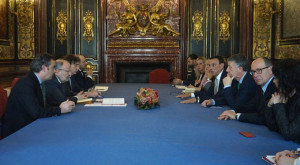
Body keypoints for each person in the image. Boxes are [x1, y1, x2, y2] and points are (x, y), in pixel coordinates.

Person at [1, 53, 75, 138]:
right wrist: (59, 109)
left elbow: (42, 106)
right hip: (18, 133)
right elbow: (36, 113)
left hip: (31, 126)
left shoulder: (37, 81)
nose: (54, 71)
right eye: (53, 68)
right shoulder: (26, 84)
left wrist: (60, 107)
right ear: (44, 68)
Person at [218, 57, 277, 124]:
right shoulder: (260, 85)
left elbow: (264, 117)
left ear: (271, 69)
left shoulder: (276, 86)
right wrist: (234, 111)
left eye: (259, 70)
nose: (255, 75)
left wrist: (237, 116)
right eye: (253, 72)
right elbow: (251, 106)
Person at [265, 59, 300, 143]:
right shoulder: (285, 95)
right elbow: (272, 126)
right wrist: (269, 105)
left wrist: (278, 105)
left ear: (286, 80)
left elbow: (288, 133)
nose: (273, 81)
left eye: (276, 78)